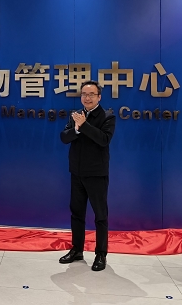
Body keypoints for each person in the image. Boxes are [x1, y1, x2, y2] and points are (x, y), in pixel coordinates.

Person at [59, 80, 116, 271]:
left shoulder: (107, 116)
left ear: (99, 97)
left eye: (91, 94)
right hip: (76, 172)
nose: (87, 98)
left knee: (100, 216)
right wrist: (76, 128)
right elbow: (64, 137)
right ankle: (77, 250)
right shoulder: (76, 115)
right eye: (84, 94)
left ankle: (101, 254)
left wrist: (83, 125)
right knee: (77, 213)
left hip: (97, 174)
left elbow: (104, 139)